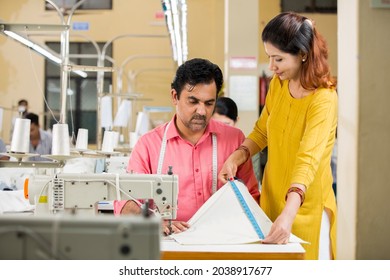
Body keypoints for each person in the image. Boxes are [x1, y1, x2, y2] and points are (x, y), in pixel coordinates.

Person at [218, 12, 338, 260]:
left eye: (278, 59)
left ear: (303, 54)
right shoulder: (279, 85)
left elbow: (308, 161)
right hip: (272, 199)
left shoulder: (324, 100)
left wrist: (289, 214)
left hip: (305, 208)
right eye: (269, 57)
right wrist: (237, 156)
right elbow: (262, 131)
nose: (271, 66)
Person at [117, 58, 260, 234]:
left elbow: (251, 197)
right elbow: (126, 202)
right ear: (175, 97)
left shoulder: (234, 140)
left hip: (222, 242)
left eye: (209, 103)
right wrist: (152, 223)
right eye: (193, 102)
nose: (202, 111)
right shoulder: (148, 145)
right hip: (169, 245)